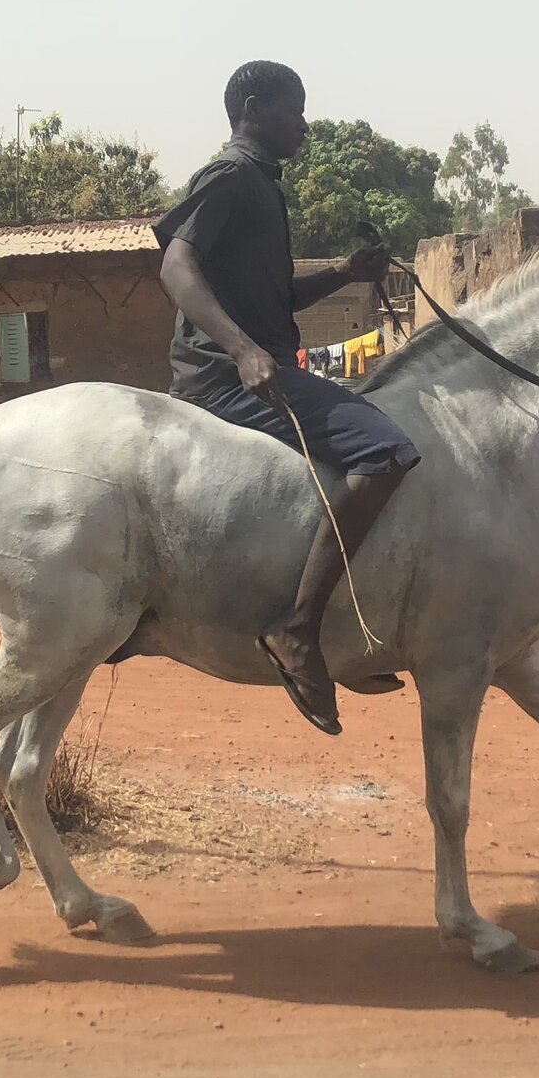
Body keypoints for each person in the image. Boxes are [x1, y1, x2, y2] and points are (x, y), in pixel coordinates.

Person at [152, 60, 420, 736]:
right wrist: (243, 351)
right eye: (292, 109)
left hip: (259, 365)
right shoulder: (231, 176)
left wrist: (345, 271)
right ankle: (297, 630)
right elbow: (175, 265)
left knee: (357, 445)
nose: (303, 122)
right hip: (222, 377)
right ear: (251, 108)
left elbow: (277, 299)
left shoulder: (265, 190)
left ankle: (349, 629)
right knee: (385, 450)